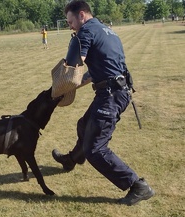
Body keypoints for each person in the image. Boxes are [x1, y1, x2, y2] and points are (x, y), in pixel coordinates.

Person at [51, 0, 154, 206]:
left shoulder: (85, 33)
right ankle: (72, 159)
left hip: (111, 95)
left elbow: (72, 68)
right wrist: (73, 87)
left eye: (70, 21)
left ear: (81, 15)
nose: (69, 25)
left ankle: (137, 185)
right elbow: (97, 72)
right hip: (115, 91)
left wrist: (58, 89)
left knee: (96, 149)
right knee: (84, 124)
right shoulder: (107, 31)